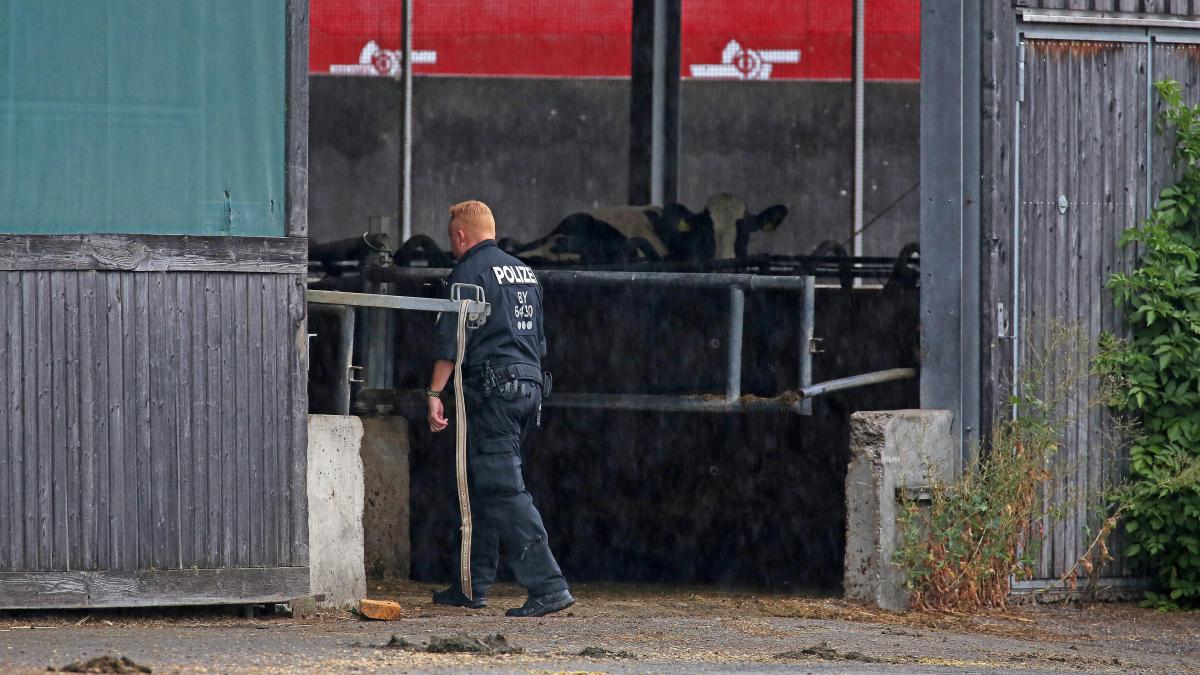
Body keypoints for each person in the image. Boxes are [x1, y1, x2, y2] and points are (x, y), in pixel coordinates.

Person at [426, 200, 575, 618]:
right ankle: (471, 585)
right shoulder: (524, 273)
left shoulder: (468, 273)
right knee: (485, 485)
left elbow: (450, 342)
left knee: (504, 489)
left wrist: (433, 393)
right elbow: (539, 339)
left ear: (460, 236)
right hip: (529, 388)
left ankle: (548, 586)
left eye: (451, 238)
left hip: (494, 393)